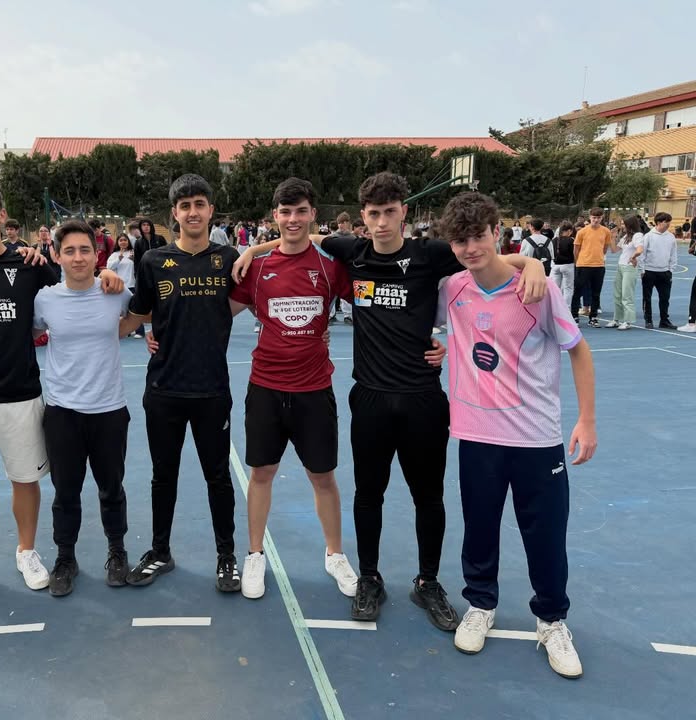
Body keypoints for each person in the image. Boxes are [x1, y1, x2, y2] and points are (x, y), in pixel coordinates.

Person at [234, 172, 546, 629]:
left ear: (404, 212)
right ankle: (370, 577)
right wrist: (252, 250)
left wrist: (531, 265)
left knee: (428, 497)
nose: (382, 222)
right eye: (374, 214)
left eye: (390, 212)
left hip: (422, 398)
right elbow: (300, 235)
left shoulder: (430, 254)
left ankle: (428, 581)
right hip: (370, 398)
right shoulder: (352, 252)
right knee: (368, 495)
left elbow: (484, 259)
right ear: (363, 216)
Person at [0, 180, 123, 612]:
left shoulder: (32, 266)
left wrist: (108, 274)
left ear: (1, 214)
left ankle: (26, 551)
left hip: (22, 393)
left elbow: (77, 284)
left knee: (26, 480)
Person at [437, 191, 596, 679]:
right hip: (477, 435)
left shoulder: (537, 291)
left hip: (536, 438)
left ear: (496, 231)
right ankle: (480, 605)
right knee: (479, 528)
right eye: (460, 240)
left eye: (478, 236)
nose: (470, 248)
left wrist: (587, 420)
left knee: (545, 533)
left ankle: (552, 620)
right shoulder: (452, 289)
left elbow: (578, 349)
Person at [230, 178, 360, 600]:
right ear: (274, 216)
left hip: (314, 390)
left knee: (323, 476)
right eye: (285, 212)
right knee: (261, 473)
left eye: (301, 211)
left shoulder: (330, 268)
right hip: (265, 388)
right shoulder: (256, 269)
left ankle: (335, 554)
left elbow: (373, 307)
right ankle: (254, 554)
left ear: (312, 215)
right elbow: (216, 313)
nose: (292, 219)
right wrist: (159, 332)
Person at [119, 174, 244, 592]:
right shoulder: (153, 261)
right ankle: (160, 551)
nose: (193, 212)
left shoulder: (229, 258)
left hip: (212, 390)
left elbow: (250, 294)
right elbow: (137, 315)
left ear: (211, 210)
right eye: (185, 205)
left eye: (199, 204)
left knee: (218, 478)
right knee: (163, 476)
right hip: (164, 390)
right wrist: (101, 282)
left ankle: (226, 557)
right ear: (174, 212)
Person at [32, 220, 134, 596]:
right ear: (57, 256)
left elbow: (144, 316)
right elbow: (27, 332)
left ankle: (117, 551)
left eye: (85, 250)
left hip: (109, 409)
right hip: (63, 412)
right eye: (70, 251)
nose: (78, 258)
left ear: (96, 254)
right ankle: (65, 558)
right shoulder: (44, 300)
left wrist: (149, 335)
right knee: (65, 492)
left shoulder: (116, 292)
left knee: (112, 488)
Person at [572, 208, 615, 328]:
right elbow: (576, 249)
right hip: (583, 265)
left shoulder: (606, 231)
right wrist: (578, 261)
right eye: (594, 217)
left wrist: (599, 257)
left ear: (602, 218)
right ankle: (574, 316)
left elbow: (605, 248)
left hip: (599, 266)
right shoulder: (582, 232)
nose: (596, 220)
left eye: (598, 218)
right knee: (578, 292)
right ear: (590, 217)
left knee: (596, 293)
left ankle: (593, 317)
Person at [638, 212, 677, 329]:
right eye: (666, 222)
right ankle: (648, 320)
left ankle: (664, 320)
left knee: (665, 298)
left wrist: (671, 270)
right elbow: (642, 254)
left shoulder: (671, 237)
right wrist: (642, 269)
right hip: (649, 271)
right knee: (647, 297)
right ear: (659, 222)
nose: (668, 224)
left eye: (669, 222)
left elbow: (673, 254)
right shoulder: (648, 236)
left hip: (665, 272)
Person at [607, 215, 644, 330]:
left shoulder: (637, 235)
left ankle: (628, 321)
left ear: (630, 224)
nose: (622, 226)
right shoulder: (625, 237)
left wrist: (633, 257)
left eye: (624, 224)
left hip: (629, 267)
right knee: (617, 294)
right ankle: (616, 319)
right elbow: (614, 250)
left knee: (627, 295)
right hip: (621, 266)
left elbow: (640, 249)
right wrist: (612, 237)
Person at [549, 221, 576, 311]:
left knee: (556, 289)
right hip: (567, 265)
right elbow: (574, 253)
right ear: (569, 231)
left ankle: (555, 308)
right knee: (568, 288)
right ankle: (566, 309)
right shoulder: (571, 240)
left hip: (556, 266)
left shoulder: (554, 240)